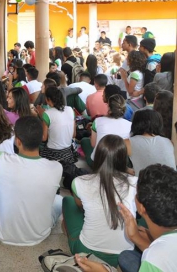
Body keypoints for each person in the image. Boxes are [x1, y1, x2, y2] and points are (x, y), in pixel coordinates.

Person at [0, 116, 62, 245]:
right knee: (60, 200)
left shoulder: (1, 160)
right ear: (41, 138)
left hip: (4, 233)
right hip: (41, 234)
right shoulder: (57, 167)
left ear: (17, 141)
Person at [63, 135, 137, 267]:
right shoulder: (135, 183)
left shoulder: (79, 182)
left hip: (87, 252)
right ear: (124, 158)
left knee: (68, 201)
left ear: (97, 157)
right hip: (125, 256)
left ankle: (69, 233)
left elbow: (80, 208)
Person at [38, 86, 77, 168]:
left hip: (52, 153)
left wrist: (40, 115)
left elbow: (44, 138)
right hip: (68, 152)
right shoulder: (70, 110)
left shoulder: (47, 114)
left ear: (48, 99)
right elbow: (73, 135)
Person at [89, 94, 131, 166]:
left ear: (109, 107)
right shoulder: (130, 125)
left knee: (84, 141)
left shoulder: (97, 121)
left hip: (98, 163)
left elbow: (93, 144)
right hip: (119, 164)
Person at [129, 109, 175, 175]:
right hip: (172, 182)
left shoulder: (128, 142)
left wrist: (127, 170)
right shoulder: (169, 142)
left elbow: (115, 163)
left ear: (135, 123)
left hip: (147, 183)